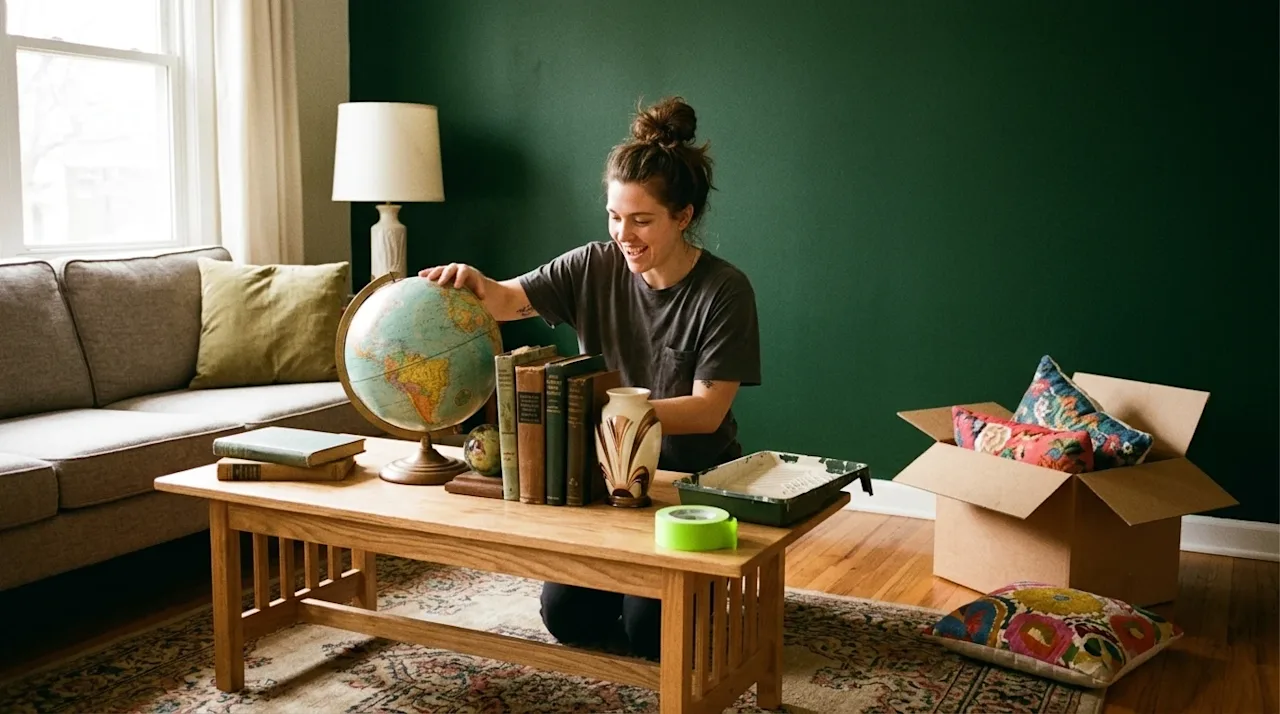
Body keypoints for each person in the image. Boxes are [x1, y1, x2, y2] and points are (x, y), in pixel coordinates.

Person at [419, 96, 761, 660]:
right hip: (602, 482)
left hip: (686, 483)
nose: (624, 233)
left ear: (684, 216)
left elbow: (706, 411)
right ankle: (641, 591)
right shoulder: (591, 265)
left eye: (642, 219)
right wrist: (474, 281)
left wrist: (601, 410)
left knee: (656, 636)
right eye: (614, 215)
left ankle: (710, 595)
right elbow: (507, 299)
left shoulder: (725, 291)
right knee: (568, 619)